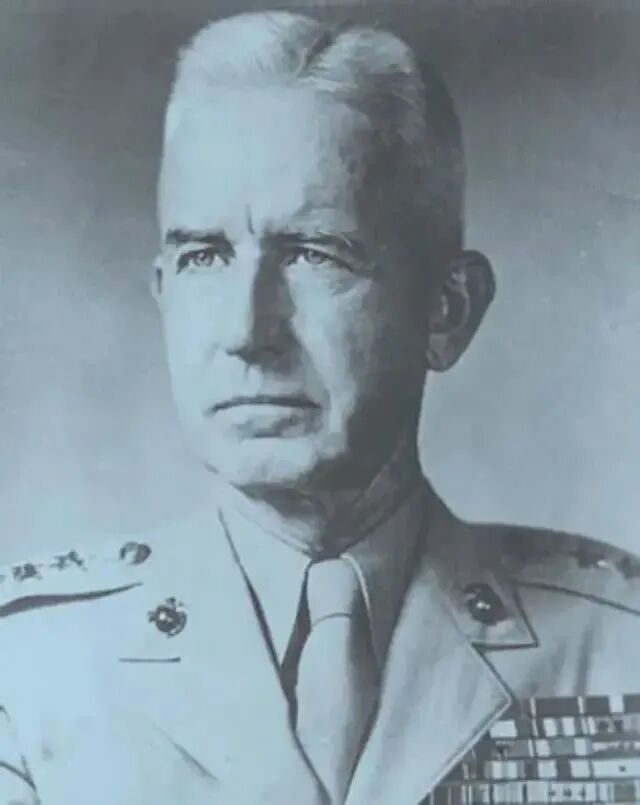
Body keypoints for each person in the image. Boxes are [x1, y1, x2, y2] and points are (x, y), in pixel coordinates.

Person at [2, 10, 639, 805]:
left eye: (313, 253)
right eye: (204, 256)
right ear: (163, 294)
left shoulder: (617, 647)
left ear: (447, 310)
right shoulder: (28, 670)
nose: (247, 332)